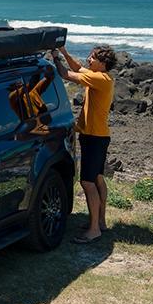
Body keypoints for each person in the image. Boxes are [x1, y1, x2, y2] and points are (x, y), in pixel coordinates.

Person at [51, 45, 116, 244]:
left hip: (94, 138)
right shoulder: (102, 77)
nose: (89, 59)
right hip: (98, 136)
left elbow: (66, 74)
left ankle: (94, 229)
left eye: (93, 57)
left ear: (102, 63)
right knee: (97, 178)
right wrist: (64, 52)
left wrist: (54, 58)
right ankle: (100, 221)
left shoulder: (98, 79)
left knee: (87, 182)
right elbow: (78, 68)